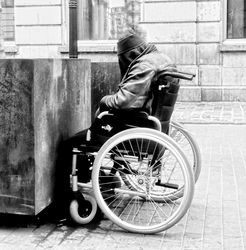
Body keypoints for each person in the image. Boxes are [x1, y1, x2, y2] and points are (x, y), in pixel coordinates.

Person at [53, 29, 179, 223]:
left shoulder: (143, 65)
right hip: (151, 127)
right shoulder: (160, 58)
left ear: (128, 54)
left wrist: (104, 100)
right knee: (89, 137)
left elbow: (125, 100)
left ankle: (70, 198)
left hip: (134, 129)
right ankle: (107, 180)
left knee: (71, 144)